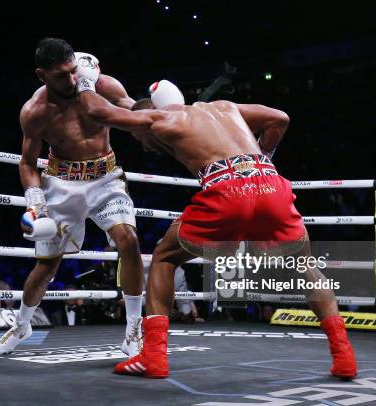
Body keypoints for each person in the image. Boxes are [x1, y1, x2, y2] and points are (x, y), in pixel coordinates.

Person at [75, 77, 357, 379]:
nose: (145, 144)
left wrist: (84, 81)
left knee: (165, 257)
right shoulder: (224, 107)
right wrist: (262, 156)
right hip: (270, 183)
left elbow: (100, 114)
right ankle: (345, 358)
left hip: (227, 192)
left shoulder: (163, 118)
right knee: (305, 266)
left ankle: (154, 356)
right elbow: (280, 119)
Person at [0, 38, 144, 357]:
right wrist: (35, 204)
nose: (72, 80)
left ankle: (133, 329)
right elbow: (27, 163)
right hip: (61, 185)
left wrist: (159, 109)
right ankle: (22, 325)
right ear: (41, 75)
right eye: (61, 75)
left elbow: (134, 111)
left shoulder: (100, 84)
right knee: (46, 265)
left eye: (74, 71)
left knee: (128, 241)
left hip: (106, 178)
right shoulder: (35, 111)